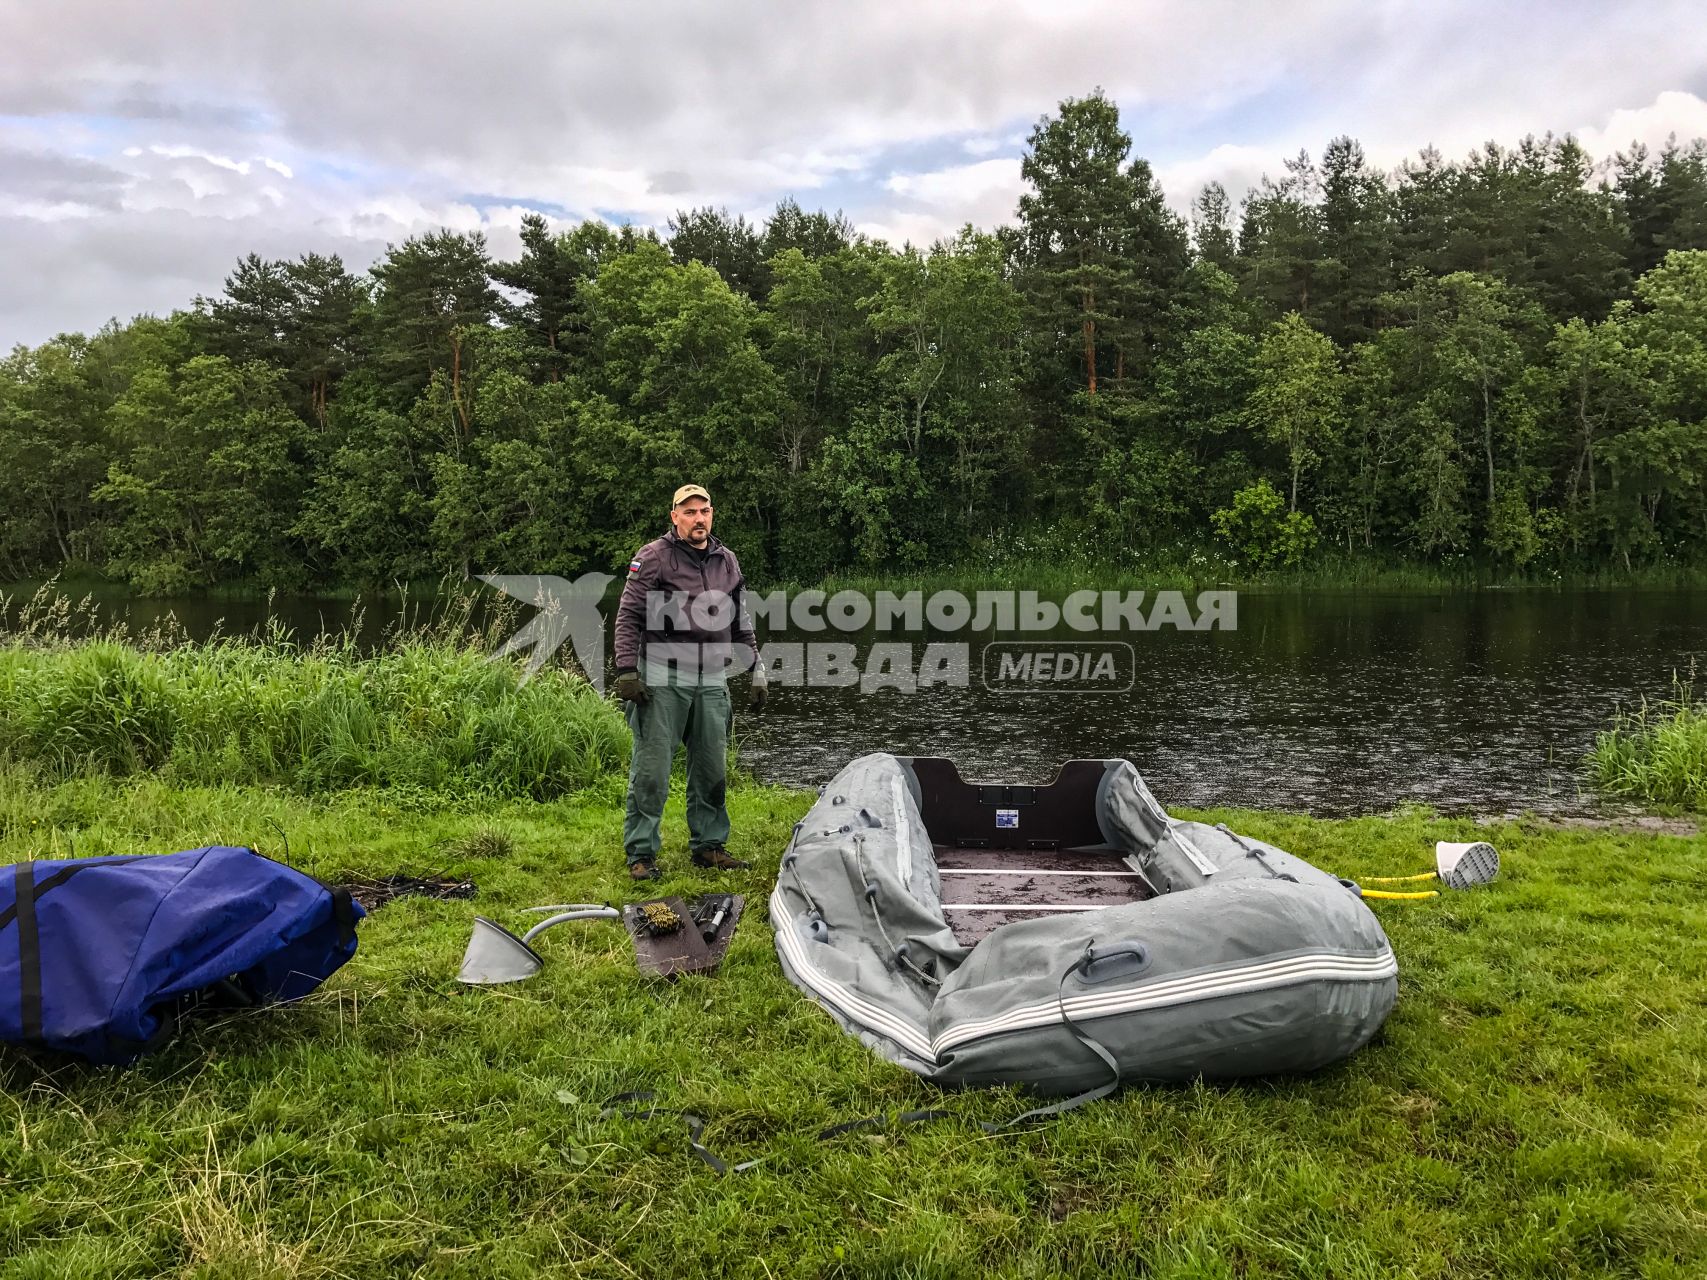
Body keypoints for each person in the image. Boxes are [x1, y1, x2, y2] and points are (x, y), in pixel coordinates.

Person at [613, 483, 767, 880]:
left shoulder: (726, 560)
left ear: (711, 514)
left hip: (712, 675)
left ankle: (709, 845)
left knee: (711, 768)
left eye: (704, 511)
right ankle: (642, 853)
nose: (699, 518)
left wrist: (756, 668)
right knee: (652, 770)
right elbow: (629, 615)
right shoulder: (653, 558)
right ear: (675, 516)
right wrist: (627, 669)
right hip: (663, 675)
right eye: (690, 511)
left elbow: (739, 619)